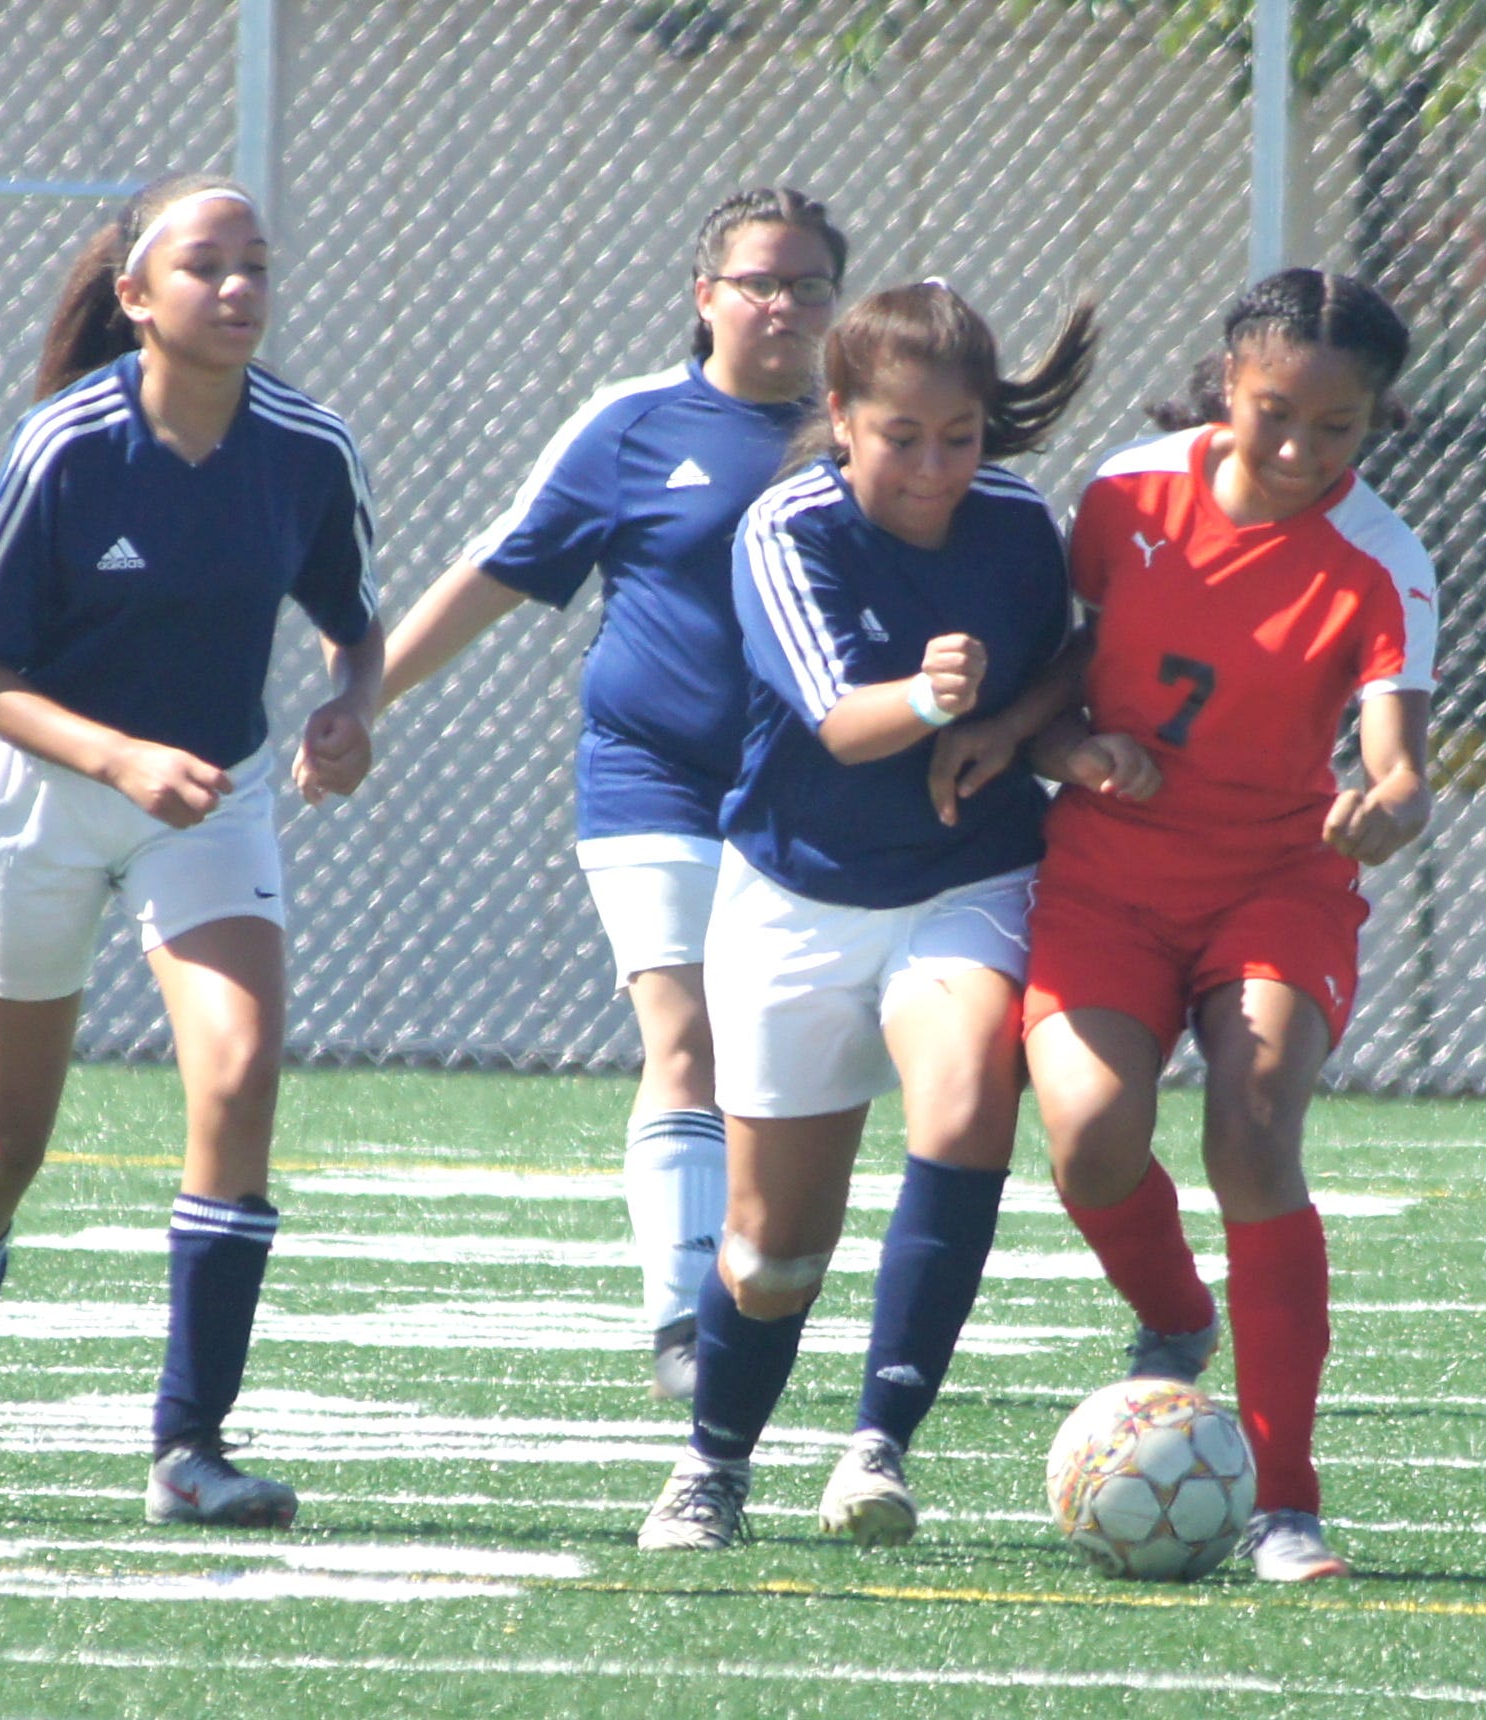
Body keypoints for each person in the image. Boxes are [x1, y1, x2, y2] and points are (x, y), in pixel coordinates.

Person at [0, 172, 383, 1528]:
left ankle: (189, 1450)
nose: (238, 289)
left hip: (212, 800)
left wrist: (348, 708)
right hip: (48, 792)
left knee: (238, 1069)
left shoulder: (307, 447)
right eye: (206, 266)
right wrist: (117, 759)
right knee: (6, 1132)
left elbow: (354, 622)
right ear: (136, 296)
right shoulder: (66, 444)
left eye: (257, 265)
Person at [949, 267, 1436, 1581]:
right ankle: (1174, 1320)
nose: (1295, 448)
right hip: (1107, 878)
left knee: (1254, 1124)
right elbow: (1071, 654)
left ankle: (1285, 1501)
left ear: (1374, 421)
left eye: (1332, 428)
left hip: (1276, 888)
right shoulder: (1124, 492)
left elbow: (1396, 759)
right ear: (1227, 382)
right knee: (1091, 1143)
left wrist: (1383, 803)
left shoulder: (1381, 557)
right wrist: (1048, 742)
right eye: (1271, 412)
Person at [638, 281, 1120, 1552]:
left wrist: (1019, 732)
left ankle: (877, 1446)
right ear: (840, 416)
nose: (933, 466)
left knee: (965, 1105)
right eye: (902, 437)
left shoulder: (1017, 523)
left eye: (960, 436)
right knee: (771, 1247)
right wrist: (927, 698)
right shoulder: (785, 525)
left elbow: (1086, 647)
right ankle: (713, 1464)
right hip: (794, 899)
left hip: (968, 881)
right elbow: (845, 725)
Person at [374, 188, 847, 1399]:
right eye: (758, 281)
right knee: (682, 1036)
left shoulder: (864, 431)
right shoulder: (634, 424)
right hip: (651, 779)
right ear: (706, 296)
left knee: (772, 1061)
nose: (783, 304)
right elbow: (500, 567)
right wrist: (359, 698)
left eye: (806, 283)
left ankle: (745, 1281)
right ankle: (681, 1328)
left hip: (806, 800)